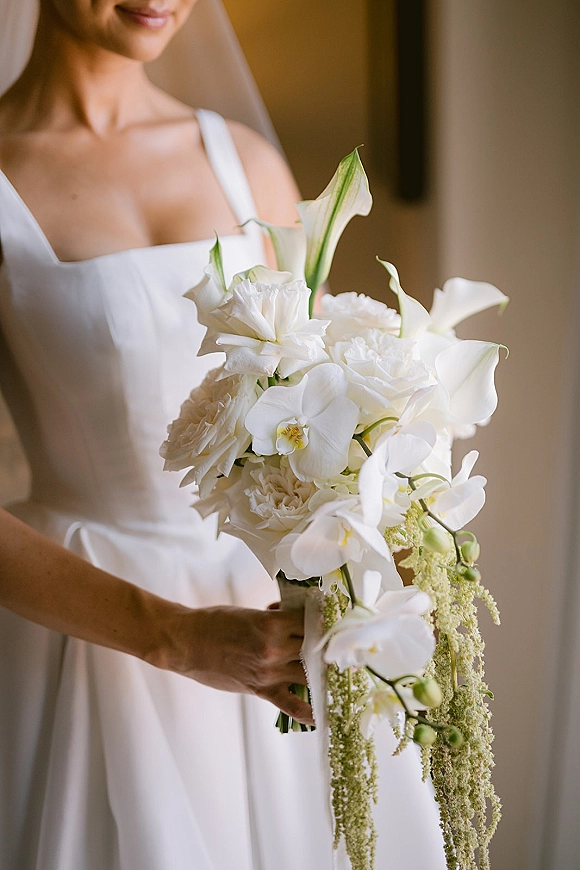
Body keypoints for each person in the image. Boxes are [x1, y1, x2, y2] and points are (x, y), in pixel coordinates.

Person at [0, 2, 447, 868]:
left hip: (282, 623)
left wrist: (395, 536)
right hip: (95, 628)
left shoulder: (245, 162)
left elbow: (325, 413)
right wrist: (178, 637)